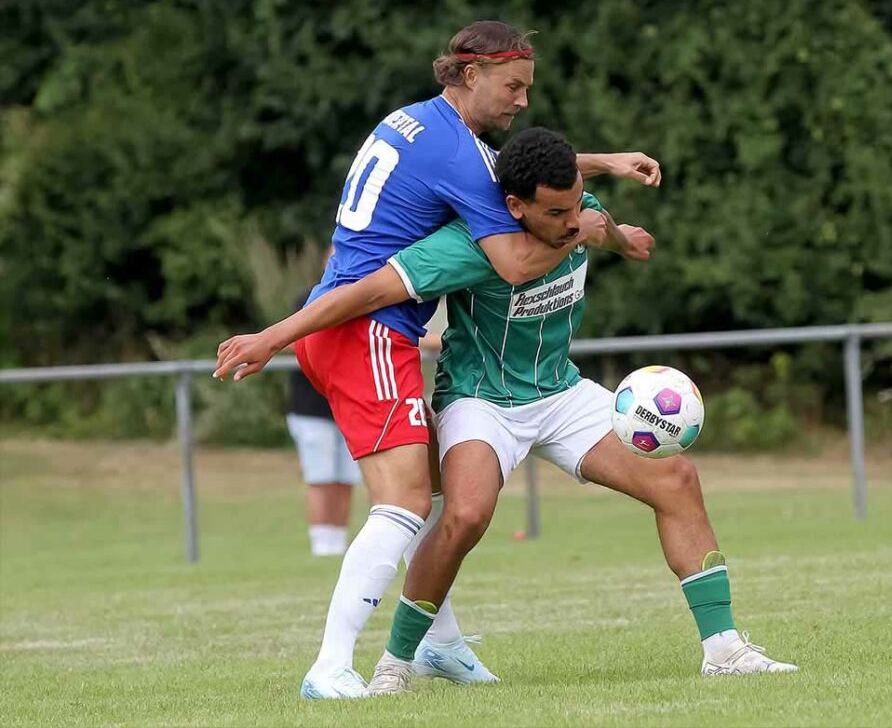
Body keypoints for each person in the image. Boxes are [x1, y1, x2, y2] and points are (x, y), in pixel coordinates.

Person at [216, 128, 798, 694]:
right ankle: (398, 665)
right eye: (556, 213)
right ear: (514, 206)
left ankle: (724, 651)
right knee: (466, 515)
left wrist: (624, 241)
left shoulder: (578, 209)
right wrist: (275, 336)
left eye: (576, 205)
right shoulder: (465, 244)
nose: (571, 220)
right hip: (481, 400)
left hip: (561, 393)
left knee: (677, 478)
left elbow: (599, 224)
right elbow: (367, 292)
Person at [214, 20, 661, 700]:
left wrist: (604, 162)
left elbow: (516, 172)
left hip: (340, 323)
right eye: (513, 86)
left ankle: (439, 642)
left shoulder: (419, 124)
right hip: (366, 329)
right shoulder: (462, 156)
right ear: (469, 73)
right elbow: (513, 261)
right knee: (402, 503)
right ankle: (330, 666)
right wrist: (591, 230)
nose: (523, 101)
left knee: (429, 489)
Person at [285, 284, 362, 557]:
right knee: (322, 478)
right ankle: (322, 546)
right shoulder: (308, 297)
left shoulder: (362, 294)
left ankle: (337, 544)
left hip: (347, 405)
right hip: (312, 409)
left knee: (346, 478)